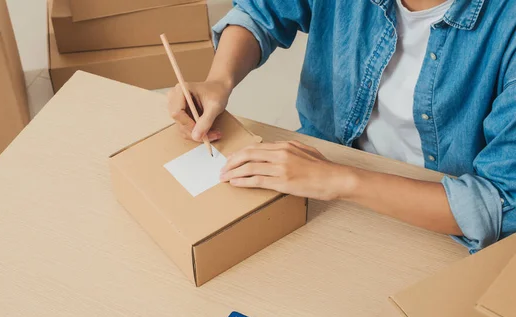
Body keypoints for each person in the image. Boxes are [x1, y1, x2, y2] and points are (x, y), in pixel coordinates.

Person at [167, 0, 516, 253]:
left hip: (437, 215)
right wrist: (219, 80)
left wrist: (337, 179)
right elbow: (262, 11)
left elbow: (500, 204)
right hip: (326, 167)